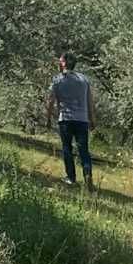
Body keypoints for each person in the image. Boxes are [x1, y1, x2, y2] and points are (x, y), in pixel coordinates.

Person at [48, 52, 95, 188]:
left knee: (67, 148)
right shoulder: (84, 79)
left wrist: (49, 118)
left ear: (63, 63)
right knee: (84, 150)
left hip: (66, 119)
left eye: (60, 60)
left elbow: (51, 100)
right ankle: (87, 177)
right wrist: (92, 119)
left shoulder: (57, 80)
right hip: (82, 119)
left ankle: (71, 177)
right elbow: (90, 101)